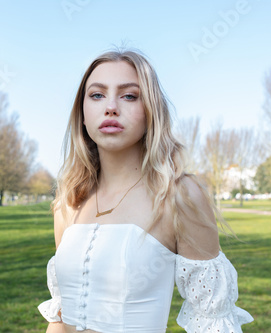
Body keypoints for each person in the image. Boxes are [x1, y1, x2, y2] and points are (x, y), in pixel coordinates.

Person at [38, 49, 253, 333]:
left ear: (150, 111)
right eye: (97, 95)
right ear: (82, 115)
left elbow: (212, 322)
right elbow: (61, 316)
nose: (111, 107)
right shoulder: (69, 201)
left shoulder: (178, 195)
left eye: (129, 96)